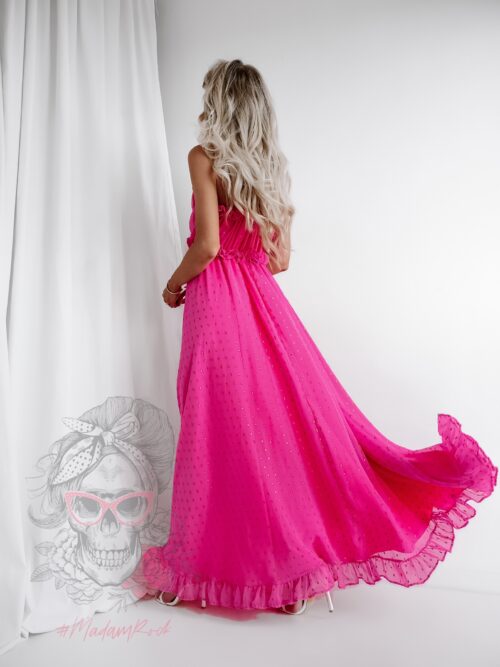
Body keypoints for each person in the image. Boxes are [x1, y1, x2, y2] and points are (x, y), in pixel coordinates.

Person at [139, 58, 498, 615]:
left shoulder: (203, 158)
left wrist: (172, 284)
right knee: (271, 431)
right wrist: (251, 245)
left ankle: (198, 568)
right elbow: (279, 260)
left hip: (215, 307)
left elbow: (206, 246)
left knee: (212, 431)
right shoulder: (268, 169)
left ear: (219, 103)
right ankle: (285, 573)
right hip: (261, 305)